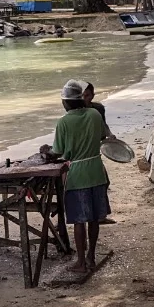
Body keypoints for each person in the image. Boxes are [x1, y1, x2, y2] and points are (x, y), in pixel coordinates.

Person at [52, 79, 111, 275]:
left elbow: (60, 152)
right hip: (96, 170)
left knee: (79, 220)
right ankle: (91, 257)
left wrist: (48, 151)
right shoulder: (94, 114)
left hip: (77, 174)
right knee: (94, 218)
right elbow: (103, 136)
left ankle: (80, 262)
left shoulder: (64, 122)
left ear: (66, 102)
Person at [83, 82, 117, 225]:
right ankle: (94, 215)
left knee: (104, 182)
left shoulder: (98, 109)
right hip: (84, 152)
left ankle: (101, 216)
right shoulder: (75, 110)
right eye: (82, 95)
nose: (84, 98)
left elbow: (104, 125)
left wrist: (110, 135)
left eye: (87, 95)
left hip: (95, 150)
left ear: (93, 95)